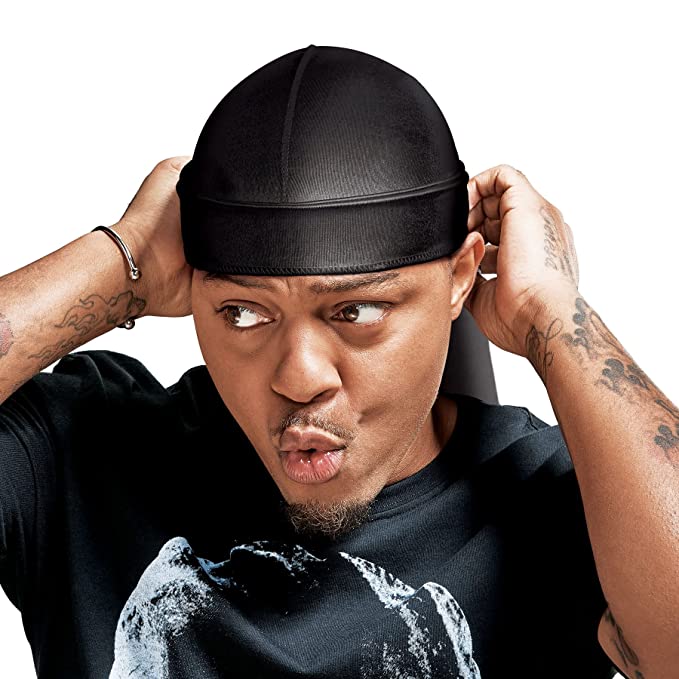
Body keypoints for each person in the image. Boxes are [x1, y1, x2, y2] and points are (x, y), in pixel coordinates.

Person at [1, 44, 676, 679]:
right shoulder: (79, 462)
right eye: (243, 313)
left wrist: (548, 311)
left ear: (459, 277)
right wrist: (121, 261)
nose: (299, 377)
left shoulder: (560, 500)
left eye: (356, 312)